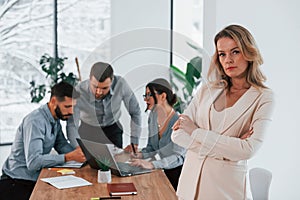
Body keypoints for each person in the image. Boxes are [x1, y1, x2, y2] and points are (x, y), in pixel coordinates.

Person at [171, 24, 274, 199]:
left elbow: (247, 150)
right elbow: (178, 134)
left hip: (224, 190)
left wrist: (195, 132)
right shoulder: (207, 90)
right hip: (188, 186)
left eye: (235, 52)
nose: (228, 60)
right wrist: (229, 147)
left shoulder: (264, 97)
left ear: (249, 53)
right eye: (222, 54)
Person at [0, 82, 86, 200]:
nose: (71, 112)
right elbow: (33, 162)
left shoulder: (54, 120)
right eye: (67, 106)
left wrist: (81, 153)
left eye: (73, 107)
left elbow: (61, 144)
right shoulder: (35, 121)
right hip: (16, 183)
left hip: (33, 179)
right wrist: (69, 157)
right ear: (54, 101)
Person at [66, 62, 142, 150]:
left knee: (115, 162)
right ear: (90, 79)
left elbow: (135, 112)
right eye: (95, 87)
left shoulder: (121, 84)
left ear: (112, 80)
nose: (99, 92)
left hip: (113, 129)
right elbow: (72, 124)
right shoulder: (79, 91)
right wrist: (76, 147)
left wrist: (134, 142)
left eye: (104, 88)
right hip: (87, 131)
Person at [130, 78, 186, 190]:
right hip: (160, 171)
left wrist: (152, 165)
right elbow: (151, 147)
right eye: (145, 95)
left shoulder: (180, 121)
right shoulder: (153, 116)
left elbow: (178, 157)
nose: (145, 99)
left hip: (178, 175)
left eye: (149, 95)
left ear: (163, 96)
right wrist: (140, 154)